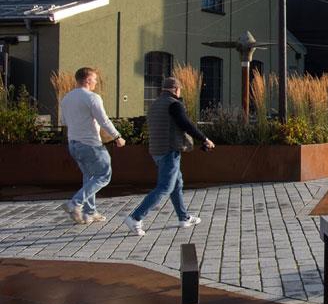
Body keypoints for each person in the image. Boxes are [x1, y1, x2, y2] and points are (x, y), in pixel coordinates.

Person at [125, 76, 215, 236]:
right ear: (176, 89)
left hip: (156, 150)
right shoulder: (174, 104)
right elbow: (186, 124)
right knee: (165, 187)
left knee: (177, 183)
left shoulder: (154, 104)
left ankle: (183, 217)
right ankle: (135, 217)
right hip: (169, 150)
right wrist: (205, 139)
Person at [60, 67, 125, 224]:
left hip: (73, 144)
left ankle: (90, 212)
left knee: (89, 177)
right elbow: (104, 120)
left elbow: (64, 122)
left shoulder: (66, 98)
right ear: (88, 80)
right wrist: (117, 136)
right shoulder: (92, 97)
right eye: (95, 79)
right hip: (90, 144)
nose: (96, 82)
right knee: (103, 175)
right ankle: (75, 203)